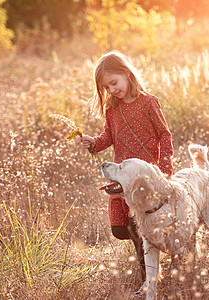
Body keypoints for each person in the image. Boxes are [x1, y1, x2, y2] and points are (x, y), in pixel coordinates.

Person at [80, 51, 173, 282]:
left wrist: (164, 169)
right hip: (122, 179)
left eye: (114, 83)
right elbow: (108, 136)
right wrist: (94, 143)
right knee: (121, 229)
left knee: (140, 230)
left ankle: (148, 280)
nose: (111, 90)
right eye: (106, 88)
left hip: (144, 180)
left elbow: (165, 135)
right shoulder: (113, 108)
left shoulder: (149, 102)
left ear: (127, 73)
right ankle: (150, 270)